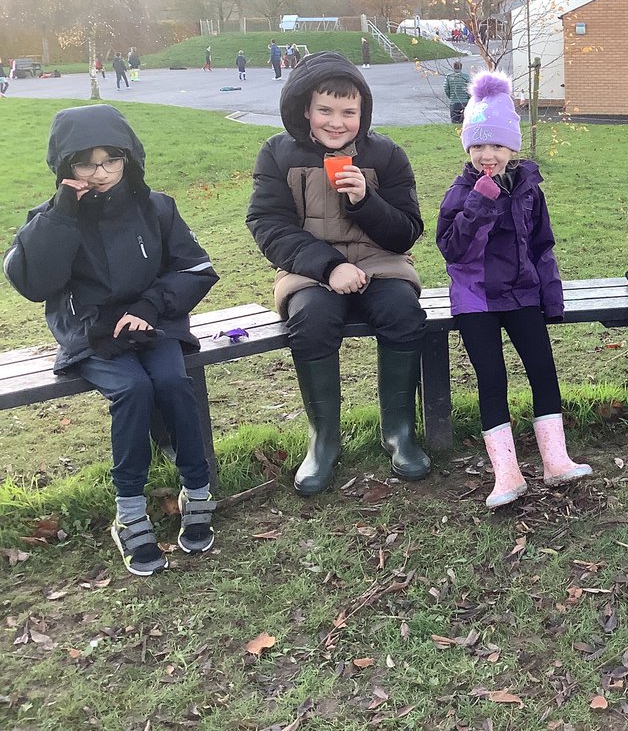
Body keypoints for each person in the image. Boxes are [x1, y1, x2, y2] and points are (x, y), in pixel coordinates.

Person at [3, 105, 219, 576]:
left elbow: (196, 268)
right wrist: (63, 214)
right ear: (66, 165)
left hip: (152, 321)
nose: (100, 173)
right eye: (86, 163)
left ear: (128, 158)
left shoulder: (156, 207)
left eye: (111, 161)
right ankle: (129, 512)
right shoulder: (51, 218)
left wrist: (150, 307)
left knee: (173, 382)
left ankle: (198, 487)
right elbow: (34, 283)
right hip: (91, 331)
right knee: (133, 389)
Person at [246, 52, 429, 495]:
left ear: (363, 113)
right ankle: (324, 440)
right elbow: (268, 226)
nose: (336, 122)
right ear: (305, 109)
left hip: (381, 263)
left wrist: (366, 200)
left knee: (403, 312)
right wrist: (329, 266)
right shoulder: (277, 153)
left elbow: (406, 232)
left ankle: (398, 432)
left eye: (349, 112)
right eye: (324, 110)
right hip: (309, 269)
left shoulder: (386, 154)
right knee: (311, 319)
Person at [436, 71, 591, 508]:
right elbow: (452, 249)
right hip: (477, 300)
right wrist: (480, 202)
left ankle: (555, 460)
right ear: (468, 148)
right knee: (492, 379)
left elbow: (543, 246)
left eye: (497, 145)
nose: (488, 155)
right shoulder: (460, 192)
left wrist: (550, 296)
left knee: (543, 370)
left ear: (512, 148)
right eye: (478, 146)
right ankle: (506, 473)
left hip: (523, 294)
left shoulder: (528, 190)